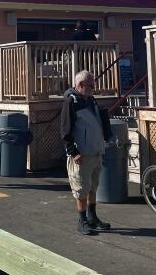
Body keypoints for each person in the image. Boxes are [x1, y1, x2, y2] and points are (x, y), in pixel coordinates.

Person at [59, 70, 113, 235]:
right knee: (81, 187)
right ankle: (82, 221)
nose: (93, 88)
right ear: (80, 85)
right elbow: (65, 130)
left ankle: (92, 217)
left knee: (92, 186)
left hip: (95, 151)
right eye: (90, 85)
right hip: (81, 154)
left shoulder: (90, 100)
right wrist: (73, 152)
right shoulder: (71, 101)